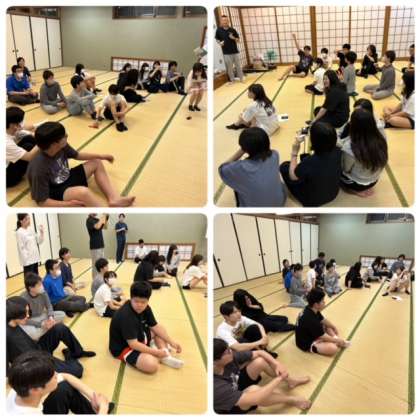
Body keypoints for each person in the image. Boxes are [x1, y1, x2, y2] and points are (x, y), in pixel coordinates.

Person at [27, 122, 137, 208]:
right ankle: (104, 213)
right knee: (84, 192)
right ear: (54, 144)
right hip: (55, 190)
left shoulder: (61, 146)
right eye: (64, 136)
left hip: (66, 176)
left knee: (96, 162)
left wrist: (101, 156)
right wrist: (68, 204)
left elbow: (77, 155)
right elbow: (42, 202)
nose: (67, 136)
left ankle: (114, 198)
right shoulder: (38, 168)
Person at [213, 338, 311, 414]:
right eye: (227, 352)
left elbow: (260, 352)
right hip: (231, 407)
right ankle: (291, 400)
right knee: (254, 390)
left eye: (229, 349)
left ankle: (291, 381)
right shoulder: (215, 386)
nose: (231, 352)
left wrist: (277, 364)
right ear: (215, 361)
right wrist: (279, 378)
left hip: (234, 383)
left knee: (259, 361)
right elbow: (257, 398)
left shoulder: (229, 357)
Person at [6, 296, 95, 377]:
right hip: (34, 363)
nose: (28, 316)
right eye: (24, 314)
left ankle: (77, 352)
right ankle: (69, 356)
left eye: (27, 312)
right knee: (78, 370)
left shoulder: (14, 323)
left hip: (38, 350)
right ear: (14, 314)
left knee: (59, 328)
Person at [109, 281, 184, 373]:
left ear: (148, 300)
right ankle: (160, 353)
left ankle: (165, 355)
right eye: (136, 301)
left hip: (137, 336)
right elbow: (133, 344)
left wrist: (171, 342)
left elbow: (155, 326)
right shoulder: (126, 315)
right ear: (131, 298)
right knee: (152, 365)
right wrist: (156, 352)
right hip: (124, 347)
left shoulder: (146, 308)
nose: (139, 305)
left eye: (143, 302)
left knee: (160, 329)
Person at [7, 351, 111, 414]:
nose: (57, 375)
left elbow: (66, 376)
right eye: (53, 376)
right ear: (36, 389)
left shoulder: (22, 385)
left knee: (64, 388)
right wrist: (103, 410)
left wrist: (94, 396)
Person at [219, 127, 287, 207]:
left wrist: (241, 150)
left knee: (238, 185)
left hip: (258, 209)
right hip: (280, 202)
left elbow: (222, 169)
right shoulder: (275, 154)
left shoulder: (241, 167)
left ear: (245, 148)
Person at [280, 121, 341, 207]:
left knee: (284, 166)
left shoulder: (309, 161)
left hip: (312, 201)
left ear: (313, 140)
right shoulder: (339, 151)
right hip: (333, 194)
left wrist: (294, 151)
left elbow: (293, 177)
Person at [340, 108, 388, 197]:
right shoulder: (381, 138)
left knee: (333, 163)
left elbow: (346, 169)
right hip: (374, 180)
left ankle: (354, 191)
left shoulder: (350, 145)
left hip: (356, 184)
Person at [295, 288, 350, 356]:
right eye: (322, 301)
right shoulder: (310, 318)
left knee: (327, 325)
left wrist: (334, 327)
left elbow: (323, 320)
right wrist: (338, 341)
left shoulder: (311, 308)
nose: (324, 302)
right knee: (333, 348)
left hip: (311, 332)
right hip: (305, 343)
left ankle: (335, 338)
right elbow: (322, 336)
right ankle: (333, 341)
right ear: (316, 304)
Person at [20, 273, 66, 341]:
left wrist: (50, 317)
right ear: (31, 288)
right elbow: (24, 319)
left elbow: (49, 306)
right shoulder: (23, 298)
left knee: (62, 314)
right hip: (31, 320)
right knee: (34, 335)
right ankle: (49, 327)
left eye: (41, 284)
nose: (42, 286)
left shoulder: (43, 293)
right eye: (39, 285)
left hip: (42, 316)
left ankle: (47, 326)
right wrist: (41, 324)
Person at [6, 107, 39, 187]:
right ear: (12, 125)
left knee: (29, 138)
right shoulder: (6, 142)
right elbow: (29, 157)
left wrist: (39, 135)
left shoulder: (8, 129)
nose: (21, 125)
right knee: (29, 147)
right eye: (19, 123)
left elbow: (25, 133)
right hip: (7, 178)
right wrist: (43, 141)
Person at [215, 15, 244, 83]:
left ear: (228, 21)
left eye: (226, 20)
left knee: (238, 66)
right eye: (223, 20)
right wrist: (220, 43)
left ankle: (241, 79)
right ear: (221, 21)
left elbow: (238, 40)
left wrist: (233, 38)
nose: (225, 21)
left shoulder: (232, 30)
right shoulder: (219, 30)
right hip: (226, 52)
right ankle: (232, 80)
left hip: (235, 51)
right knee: (229, 67)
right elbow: (217, 39)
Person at [86, 214, 107, 278]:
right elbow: (97, 226)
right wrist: (103, 216)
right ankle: (95, 280)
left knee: (102, 264)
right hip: (95, 245)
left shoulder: (97, 219)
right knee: (96, 264)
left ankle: (101, 278)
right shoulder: (89, 220)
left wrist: (106, 218)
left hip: (101, 244)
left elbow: (105, 227)